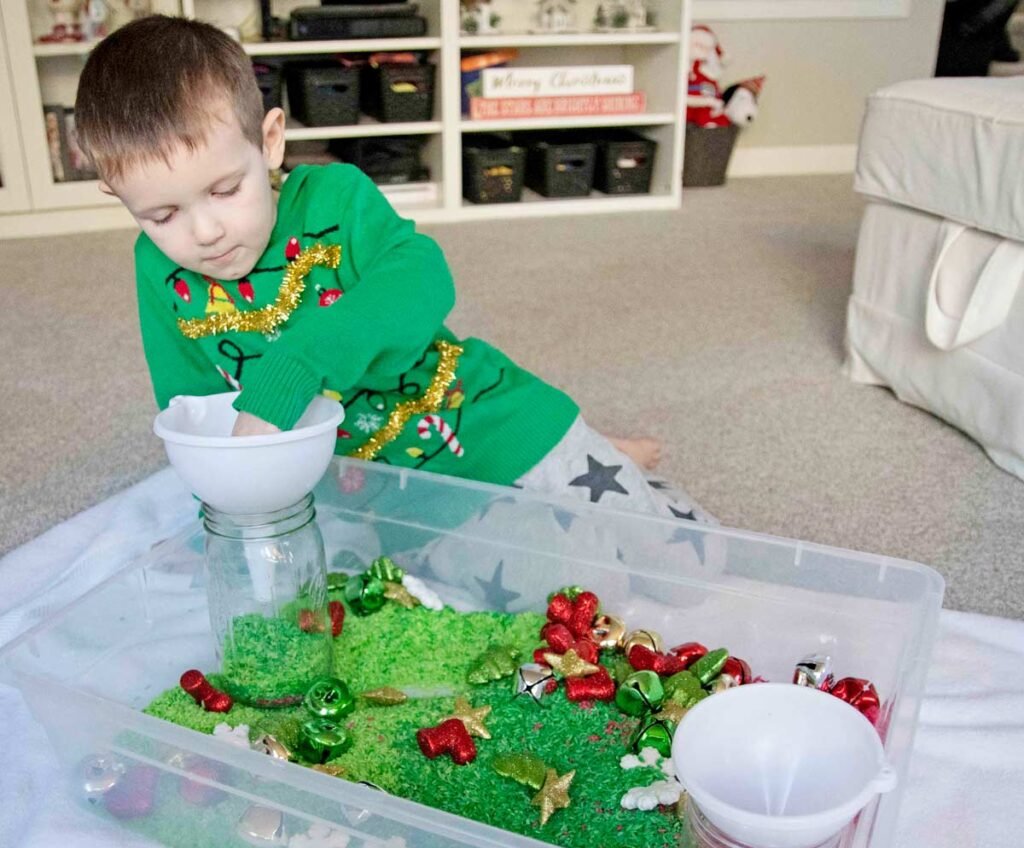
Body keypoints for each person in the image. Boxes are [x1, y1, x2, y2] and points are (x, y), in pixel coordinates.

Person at [75, 15, 707, 529]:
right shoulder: (154, 266)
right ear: (119, 197)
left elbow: (422, 278)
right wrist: (222, 505)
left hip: (473, 420)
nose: (203, 232)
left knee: (670, 552)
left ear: (269, 142)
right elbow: (191, 405)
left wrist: (297, 366)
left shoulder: (335, 200)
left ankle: (607, 449)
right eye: (161, 214)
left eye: (225, 190)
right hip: (371, 488)